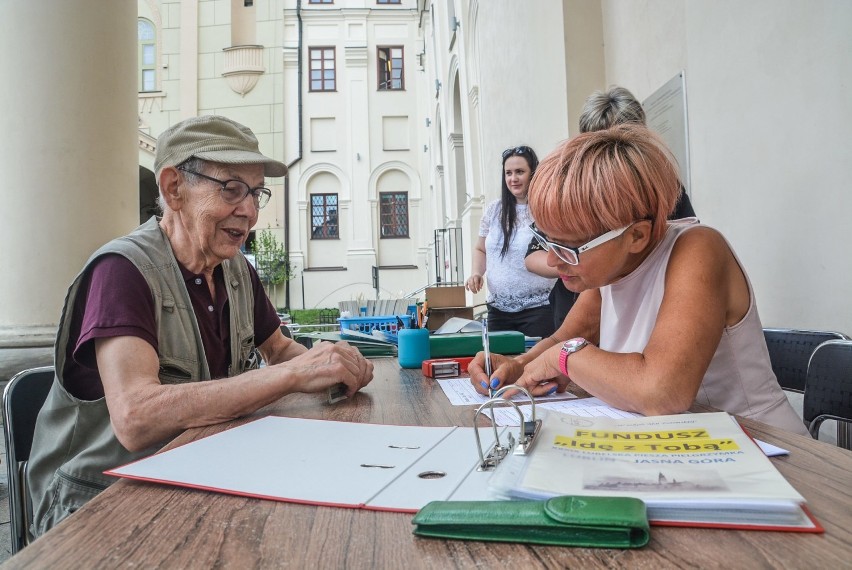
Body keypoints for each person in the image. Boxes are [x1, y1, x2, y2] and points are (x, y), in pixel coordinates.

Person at [27, 115, 375, 536]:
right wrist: (294, 375)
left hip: (195, 480)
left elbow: (280, 350)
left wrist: (333, 370)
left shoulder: (235, 271)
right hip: (96, 506)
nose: (248, 211)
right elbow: (135, 418)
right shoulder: (122, 272)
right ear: (174, 188)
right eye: (231, 188)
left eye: (255, 192)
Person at [469, 124, 808, 435]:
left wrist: (563, 357)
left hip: (768, 449)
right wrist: (518, 368)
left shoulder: (698, 249)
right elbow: (566, 337)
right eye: (548, 242)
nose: (554, 260)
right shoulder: (608, 270)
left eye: (571, 247)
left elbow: (661, 390)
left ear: (636, 236)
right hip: (682, 447)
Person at [524, 86, 696, 329]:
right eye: (597, 147)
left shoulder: (676, 213)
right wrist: (575, 260)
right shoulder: (570, 189)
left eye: (617, 149)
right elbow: (564, 342)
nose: (606, 163)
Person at [464, 145, 556, 338]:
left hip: (538, 311)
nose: (513, 178)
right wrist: (476, 273)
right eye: (508, 173)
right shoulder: (493, 210)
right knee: (499, 364)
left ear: (533, 174)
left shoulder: (546, 210)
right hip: (498, 312)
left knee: (532, 365)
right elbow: (481, 249)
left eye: (520, 172)